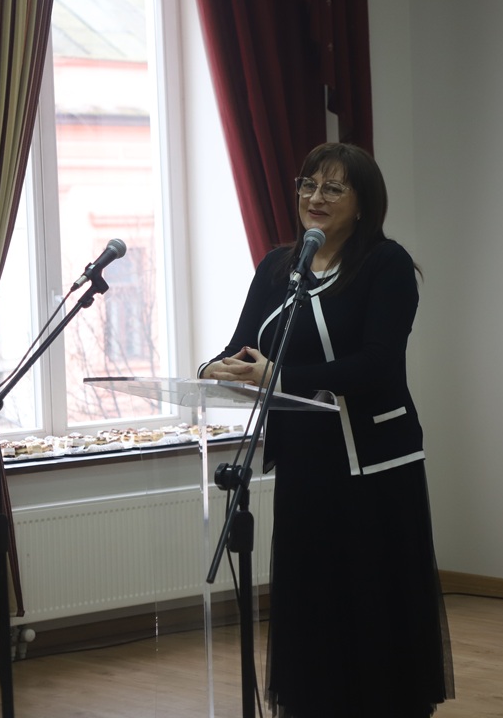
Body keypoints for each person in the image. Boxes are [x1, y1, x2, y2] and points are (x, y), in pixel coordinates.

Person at [199, 143, 454, 718]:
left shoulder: (386, 265)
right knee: (313, 597)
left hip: (373, 464)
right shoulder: (276, 268)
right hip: (306, 460)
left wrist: (281, 375)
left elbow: (377, 365)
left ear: (363, 203)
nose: (316, 197)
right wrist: (212, 369)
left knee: (370, 597)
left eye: (334, 188)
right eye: (308, 184)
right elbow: (243, 345)